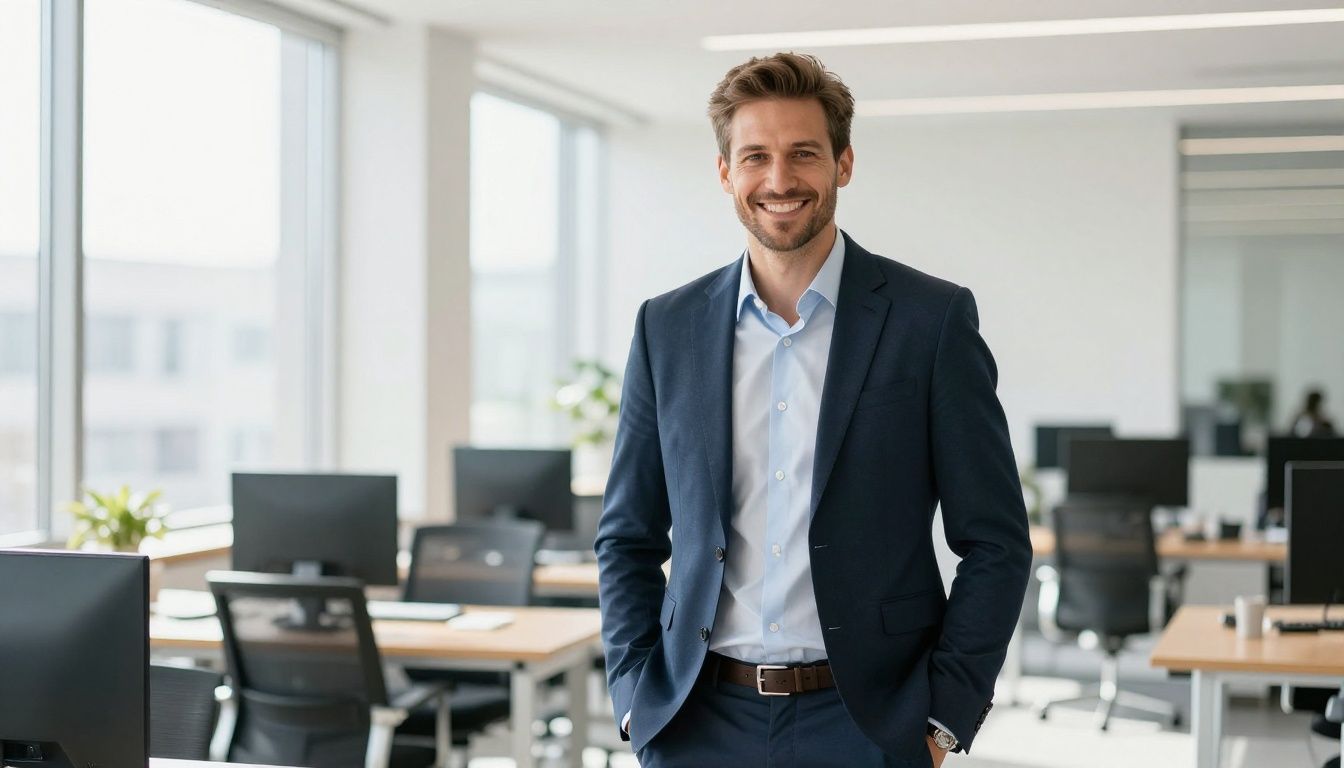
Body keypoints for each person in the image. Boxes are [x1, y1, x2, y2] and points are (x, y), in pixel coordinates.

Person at [595, 53, 1031, 768]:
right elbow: (627, 536)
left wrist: (943, 719)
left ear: (844, 163)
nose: (779, 180)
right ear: (725, 172)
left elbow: (996, 542)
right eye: (755, 157)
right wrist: (634, 699)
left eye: (803, 154)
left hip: (867, 722)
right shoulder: (666, 327)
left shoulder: (930, 321)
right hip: (697, 720)